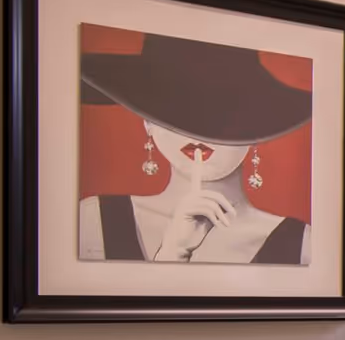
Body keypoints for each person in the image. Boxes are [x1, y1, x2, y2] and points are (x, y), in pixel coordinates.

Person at [77, 33, 311, 265]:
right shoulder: (94, 221)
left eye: (221, 112)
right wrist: (173, 252)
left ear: (258, 131)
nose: (195, 131)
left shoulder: (303, 244)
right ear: (146, 122)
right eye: (173, 108)